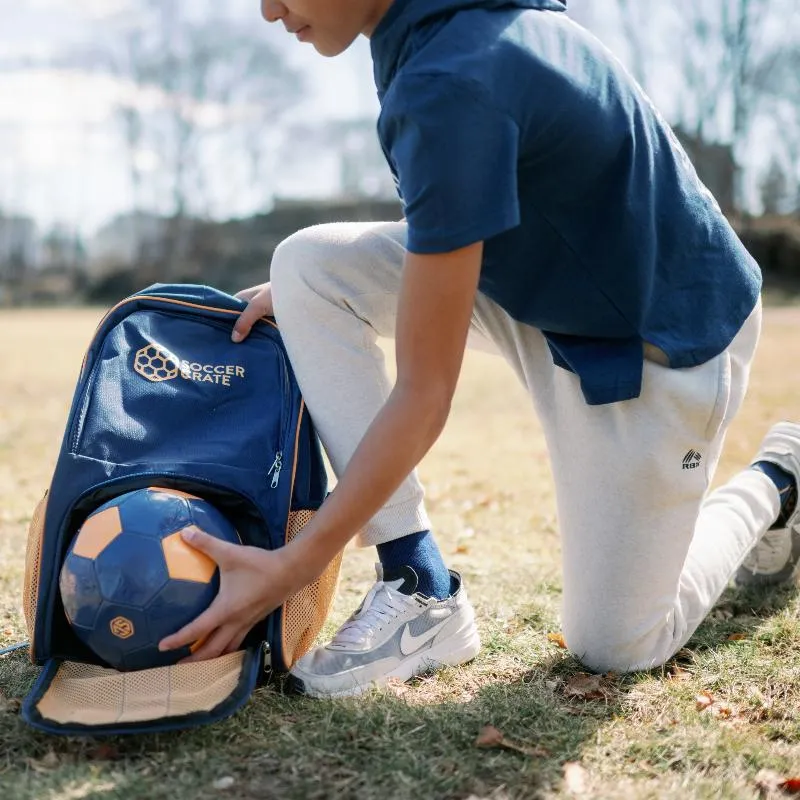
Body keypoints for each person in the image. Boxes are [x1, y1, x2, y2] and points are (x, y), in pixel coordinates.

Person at [159, 0, 800, 698]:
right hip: (554, 291)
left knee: (616, 644)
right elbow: (474, 195)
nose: (268, 9)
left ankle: (780, 478)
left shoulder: (452, 70)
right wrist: (323, 285)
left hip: (661, 342)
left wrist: (299, 562)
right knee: (310, 266)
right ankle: (420, 588)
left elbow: (425, 394)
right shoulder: (435, 29)